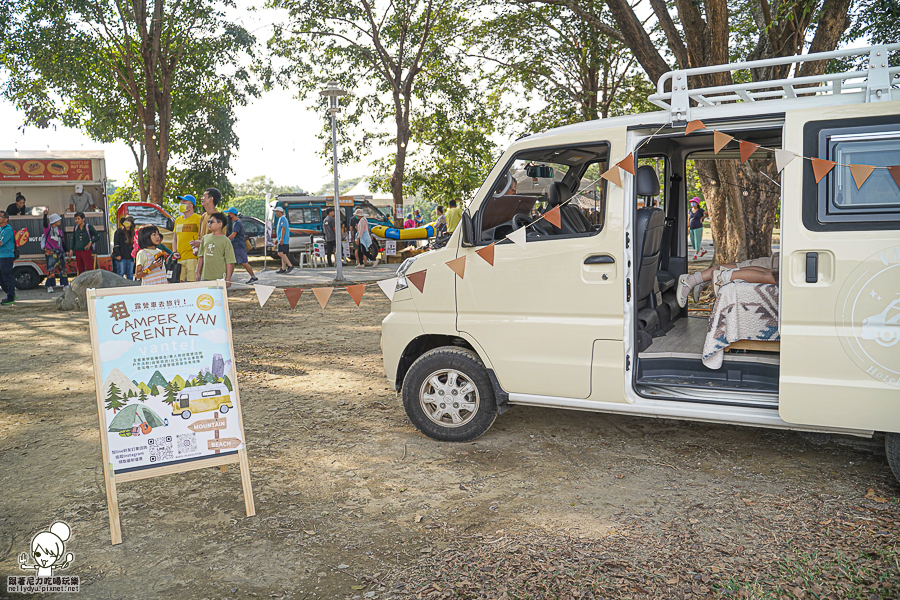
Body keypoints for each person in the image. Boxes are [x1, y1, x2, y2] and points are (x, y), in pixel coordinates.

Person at [677, 252, 780, 307]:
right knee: (771, 276)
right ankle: (719, 277)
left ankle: (699, 279)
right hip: (782, 261)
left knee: (743, 266)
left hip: (780, 259)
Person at [196, 212, 236, 282]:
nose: (209, 224)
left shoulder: (226, 241)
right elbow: (201, 257)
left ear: (220, 224)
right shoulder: (205, 238)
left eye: (211, 222)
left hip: (219, 277)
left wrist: (228, 278)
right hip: (205, 276)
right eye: (208, 222)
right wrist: (197, 273)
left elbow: (229, 261)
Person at [224, 208, 257, 283]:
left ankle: (253, 277)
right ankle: (228, 279)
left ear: (232, 214)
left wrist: (225, 240)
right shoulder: (236, 222)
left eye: (229, 214)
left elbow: (234, 234)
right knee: (232, 263)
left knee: (244, 262)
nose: (228, 215)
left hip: (239, 246)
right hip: (236, 246)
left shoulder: (237, 223)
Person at [173, 194, 201, 282]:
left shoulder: (198, 218)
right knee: (179, 284)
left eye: (184, 203)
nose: (181, 205)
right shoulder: (177, 220)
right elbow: (175, 239)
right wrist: (174, 252)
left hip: (192, 258)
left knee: (191, 283)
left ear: (191, 205)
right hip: (180, 258)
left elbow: (202, 237)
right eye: (181, 203)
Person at [190, 187, 222, 256]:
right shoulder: (203, 216)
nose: (201, 198)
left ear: (211, 199)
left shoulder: (219, 218)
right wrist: (197, 248)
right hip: (203, 256)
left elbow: (219, 240)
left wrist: (201, 243)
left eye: (204, 196)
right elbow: (199, 237)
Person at [41, 212, 68, 293]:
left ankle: (65, 284)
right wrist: (45, 215)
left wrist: (66, 250)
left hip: (60, 251)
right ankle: (50, 285)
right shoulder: (48, 228)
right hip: (51, 251)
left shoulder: (59, 229)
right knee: (51, 269)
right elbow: (45, 223)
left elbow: (62, 240)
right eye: (58, 220)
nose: (60, 221)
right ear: (54, 221)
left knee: (63, 268)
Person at [113, 215, 137, 279]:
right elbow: (116, 244)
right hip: (121, 257)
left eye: (129, 221)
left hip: (130, 257)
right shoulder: (119, 231)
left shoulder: (132, 233)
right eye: (126, 221)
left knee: (130, 273)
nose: (127, 222)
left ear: (131, 224)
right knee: (121, 272)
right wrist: (117, 254)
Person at [0, 210, 15, 306]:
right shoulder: (1, 229)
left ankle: (10, 297)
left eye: (1, 216)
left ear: (6, 219)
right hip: (1, 256)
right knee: (1, 278)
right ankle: (10, 293)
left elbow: (1, 243)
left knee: (7, 276)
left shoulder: (8, 230)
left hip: (6, 257)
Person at [273, 206, 292, 274]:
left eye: (276, 212)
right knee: (283, 254)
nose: (275, 213)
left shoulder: (283, 218)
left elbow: (283, 229)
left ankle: (290, 265)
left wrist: (281, 239)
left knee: (280, 253)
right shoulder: (281, 219)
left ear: (279, 212)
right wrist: (277, 239)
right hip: (282, 239)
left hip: (283, 239)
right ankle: (283, 268)